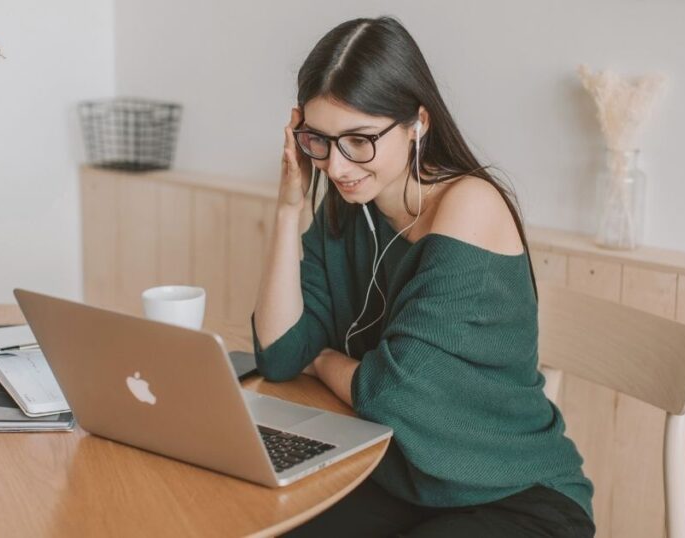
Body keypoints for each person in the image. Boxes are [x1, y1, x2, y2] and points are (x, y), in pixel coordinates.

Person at [251, 16, 595, 538]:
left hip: (517, 495)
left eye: (360, 140)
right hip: (400, 482)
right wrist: (286, 208)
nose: (339, 166)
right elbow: (277, 356)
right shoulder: (348, 206)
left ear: (418, 123)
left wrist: (321, 359)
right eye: (318, 141)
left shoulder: (470, 205)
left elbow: (390, 390)